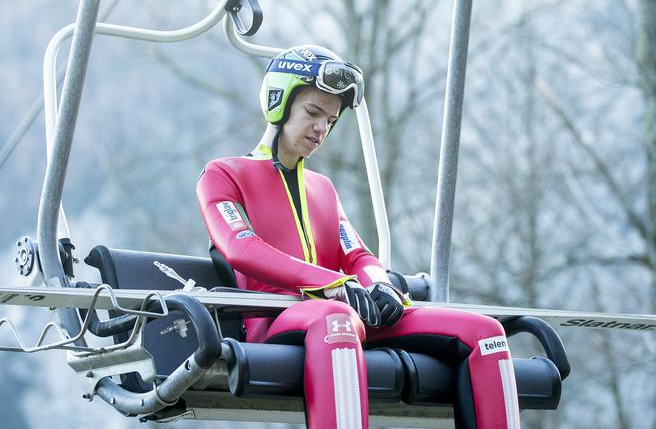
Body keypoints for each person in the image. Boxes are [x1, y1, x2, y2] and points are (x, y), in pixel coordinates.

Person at [197, 45, 520, 429]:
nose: (321, 129)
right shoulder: (223, 174)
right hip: (277, 320)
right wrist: (331, 284)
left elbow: (356, 255)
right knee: (336, 317)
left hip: (344, 315)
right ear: (278, 105)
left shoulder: (323, 189)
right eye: (313, 113)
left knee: (486, 332)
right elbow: (240, 247)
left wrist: (379, 285)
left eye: (331, 121)